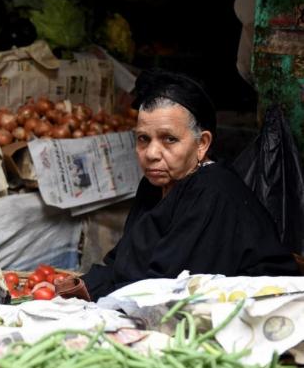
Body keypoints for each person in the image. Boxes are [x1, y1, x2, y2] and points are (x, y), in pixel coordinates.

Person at [76, 68, 300, 302]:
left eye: (169, 139)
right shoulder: (153, 186)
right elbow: (123, 262)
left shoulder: (213, 192)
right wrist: (80, 287)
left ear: (202, 144)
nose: (151, 153)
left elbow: (169, 291)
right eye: (143, 139)